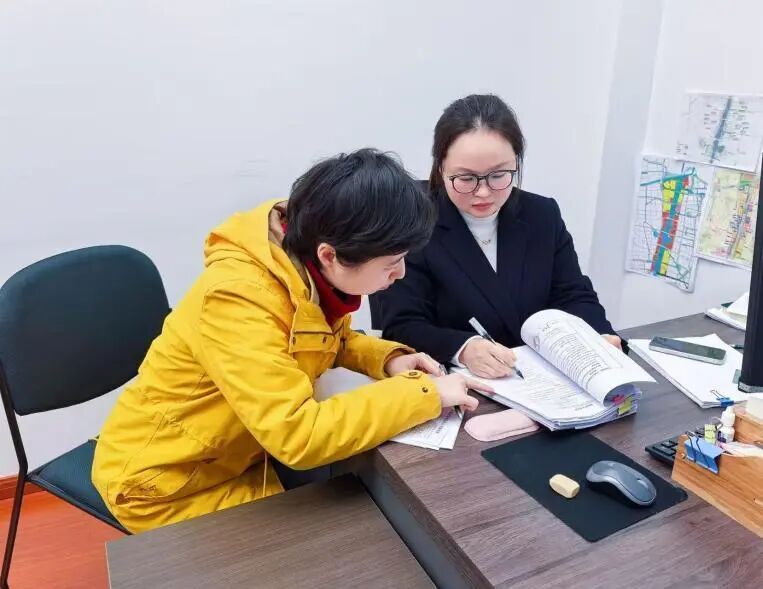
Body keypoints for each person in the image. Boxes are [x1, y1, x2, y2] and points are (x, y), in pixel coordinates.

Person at [92, 148, 489, 533]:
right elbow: (299, 435)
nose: (400, 274)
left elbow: (324, 340)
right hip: (166, 484)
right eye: (392, 262)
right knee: (342, 544)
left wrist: (387, 359)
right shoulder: (238, 300)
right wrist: (424, 394)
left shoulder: (301, 259)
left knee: (363, 519)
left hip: (238, 455)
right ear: (330, 255)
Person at [376, 95, 622, 379]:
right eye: (466, 178)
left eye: (498, 175)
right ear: (441, 168)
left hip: (539, 378)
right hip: (454, 383)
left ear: (516, 163)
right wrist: (463, 348)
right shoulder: (409, 216)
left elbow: (573, 294)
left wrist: (599, 337)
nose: (483, 192)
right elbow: (401, 326)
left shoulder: (541, 214)